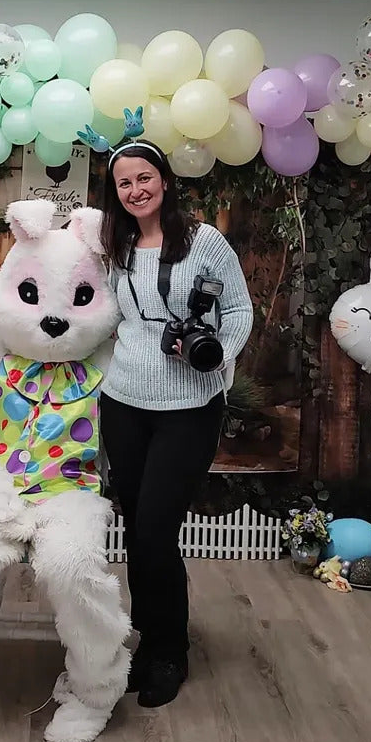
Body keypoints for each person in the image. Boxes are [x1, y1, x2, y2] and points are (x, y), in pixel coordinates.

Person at [99, 139, 253, 708]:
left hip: (189, 408)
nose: (136, 190)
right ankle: (149, 640)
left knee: (156, 531)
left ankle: (171, 651)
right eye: (124, 183)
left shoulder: (204, 241)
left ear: (164, 180)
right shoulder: (115, 245)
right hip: (124, 403)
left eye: (145, 178)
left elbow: (238, 310)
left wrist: (214, 354)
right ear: (115, 193)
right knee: (137, 528)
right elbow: (107, 313)